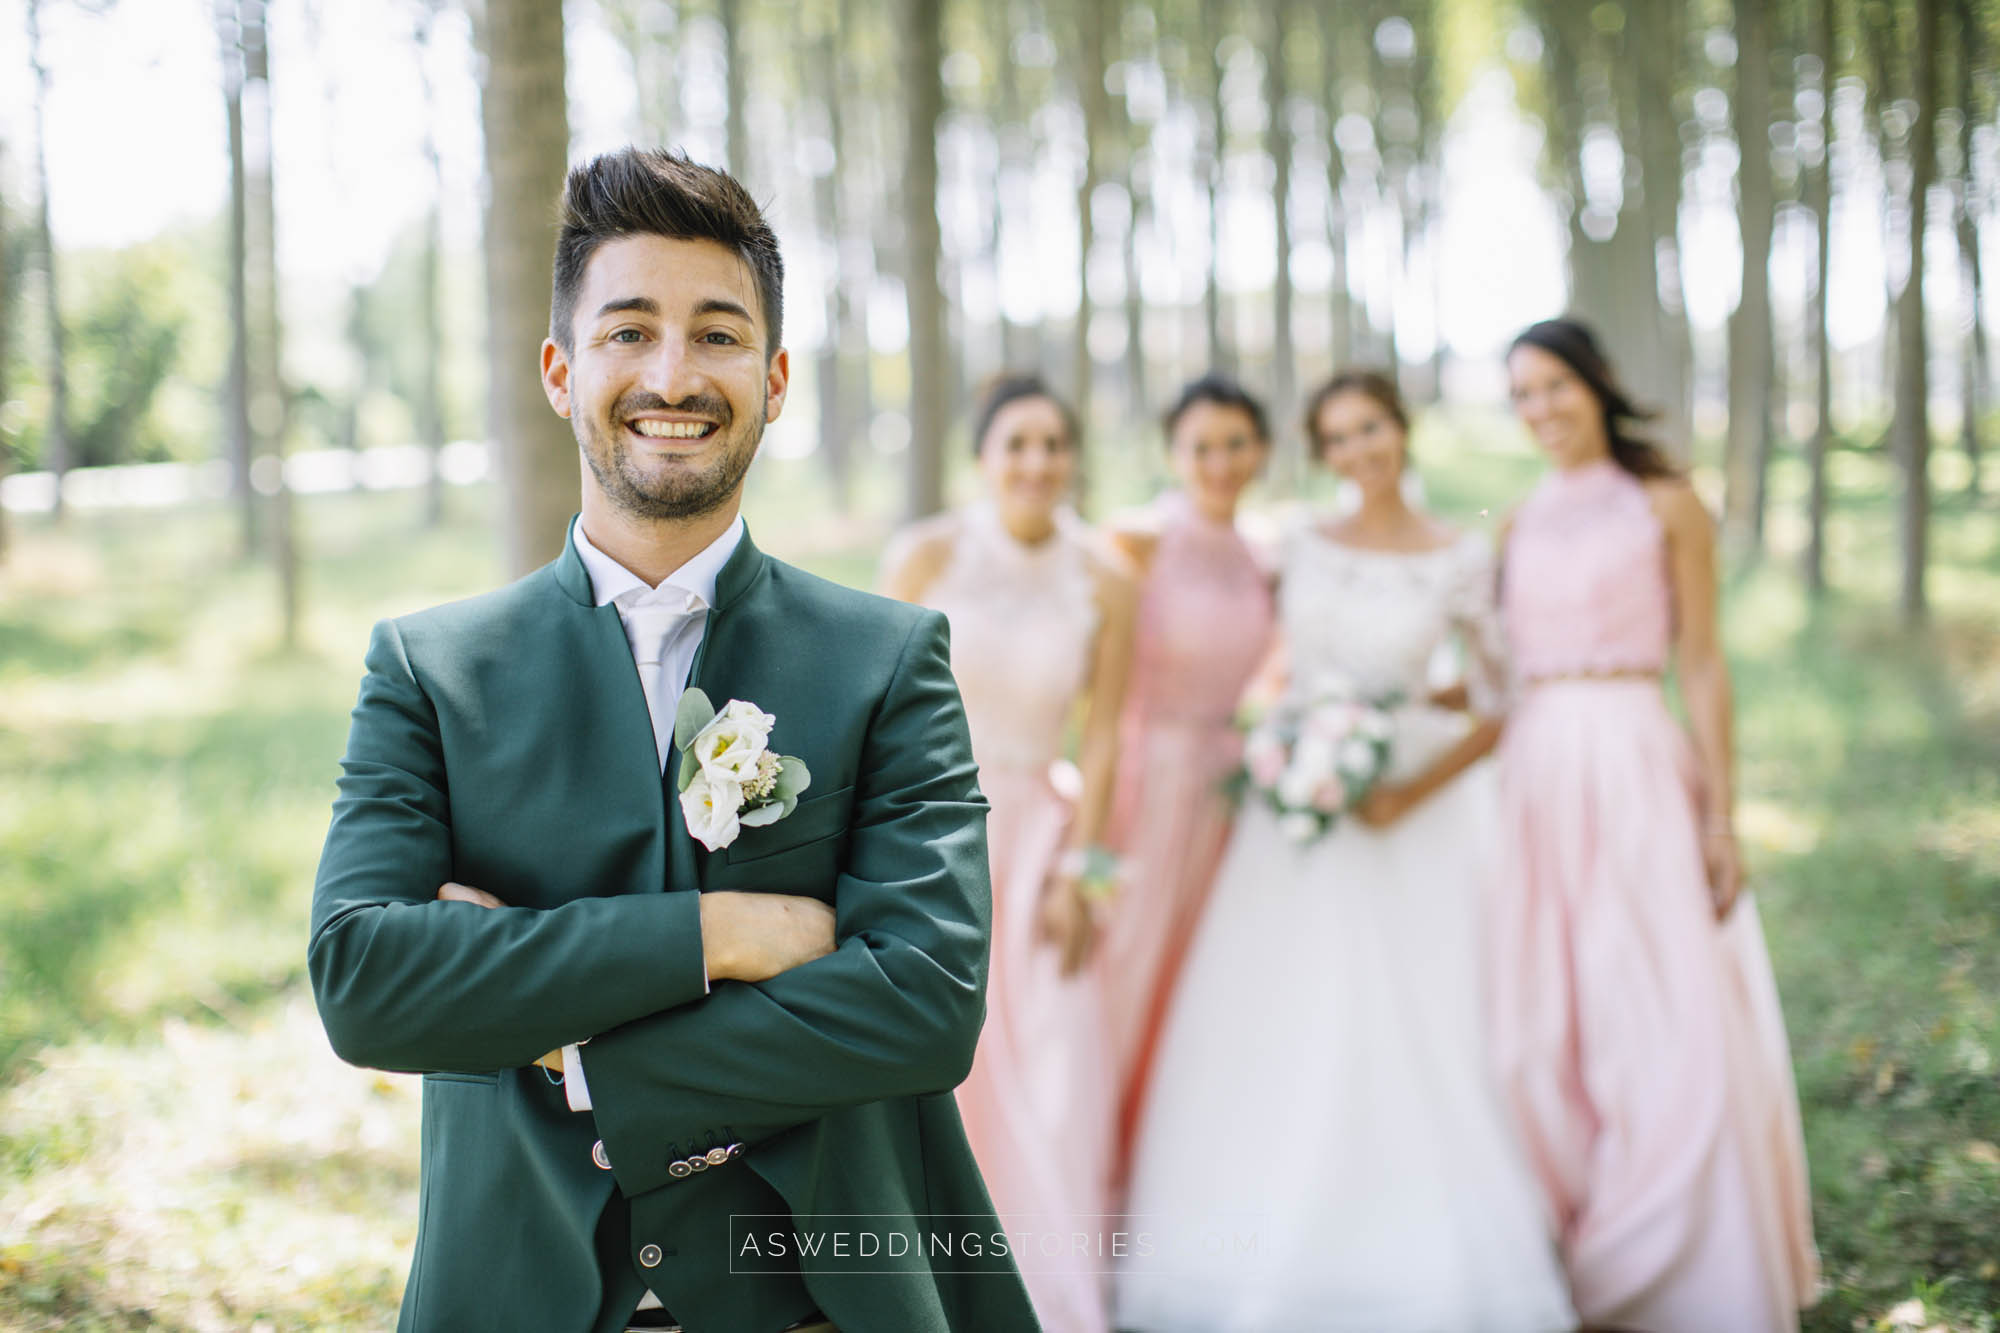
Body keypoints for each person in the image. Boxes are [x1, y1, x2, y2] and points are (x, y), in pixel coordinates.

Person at [308, 148, 1037, 1333]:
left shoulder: (887, 659)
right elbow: (364, 982)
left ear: (775, 375)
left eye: (716, 334)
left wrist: (573, 1054)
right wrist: (725, 933)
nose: (672, 374)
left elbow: (926, 1000)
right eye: (628, 331)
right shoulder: (429, 669)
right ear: (560, 369)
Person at [1114, 371, 1575, 1333]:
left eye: (1371, 428)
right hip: (1293, 810)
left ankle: (1426, 1246)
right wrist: (1296, 746)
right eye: (1337, 437)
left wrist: (1405, 778)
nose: (1358, 449)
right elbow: (1221, 604)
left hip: (1411, 815)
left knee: (1416, 1026)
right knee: (1275, 1020)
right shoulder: (1300, 543)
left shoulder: (1460, 553)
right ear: (1322, 456)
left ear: (1401, 432)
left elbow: (1498, 700)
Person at [1494, 317, 1818, 1332]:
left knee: (1655, 1003)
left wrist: (1719, 817)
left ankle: (1681, 1263)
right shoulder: (1513, 522)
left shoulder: (1667, 504)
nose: (1539, 407)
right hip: (1532, 772)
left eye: (1553, 384)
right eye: (1521, 394)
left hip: (1635, 755)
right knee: (1539, 1021)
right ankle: (1568, 1234)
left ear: (1594, 384)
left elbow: (1704, 665)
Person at [880, 375, 1137, 1333]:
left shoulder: (1106, 574)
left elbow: (1105, 737)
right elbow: (870, 707)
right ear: (983, 456)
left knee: (1059, 1052)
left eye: (1054, 445)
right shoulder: (928, 554)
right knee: (954, 1060)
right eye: (1016, 444)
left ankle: (1050, 1287)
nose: (1036, 463)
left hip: (1044, 838)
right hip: (932, 830)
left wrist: (1090, 869)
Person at [1096, 373, 1276, 1192]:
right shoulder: (1136, 541)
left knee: (1202, 976)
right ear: (1174, 452)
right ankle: (1094, 1159)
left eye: (1237, 443)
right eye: (1201, 445)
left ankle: (1169, 1167)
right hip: (1143, 776)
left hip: (1227, 792)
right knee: (1123, 962)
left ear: (1263, 451)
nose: (1220, 461)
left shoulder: (1263, 558)